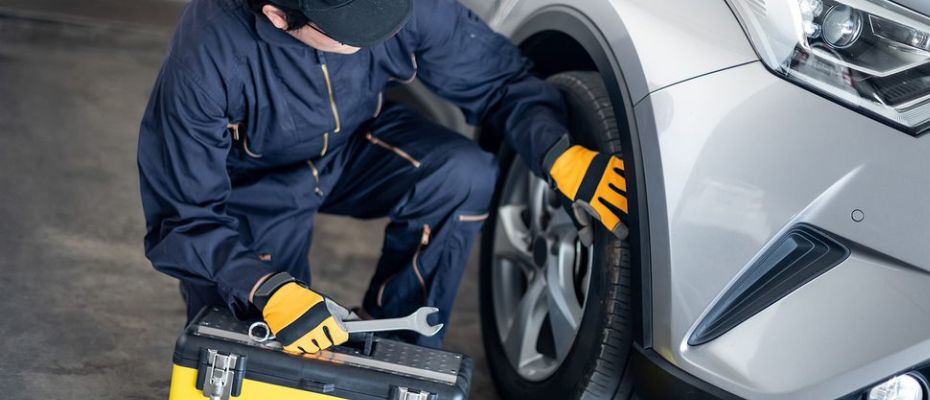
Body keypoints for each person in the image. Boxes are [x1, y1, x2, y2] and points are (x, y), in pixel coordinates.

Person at [138, 0, 628, 351]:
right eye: (351, 28)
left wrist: (558, 152)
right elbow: (182, 219)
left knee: (462, 173)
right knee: (266, 341)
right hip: (255, 185)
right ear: (278, 15)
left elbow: (498, 78)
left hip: (354, 144)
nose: (380, 27)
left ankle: (399, 349)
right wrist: (261, 284)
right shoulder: (207, 57)